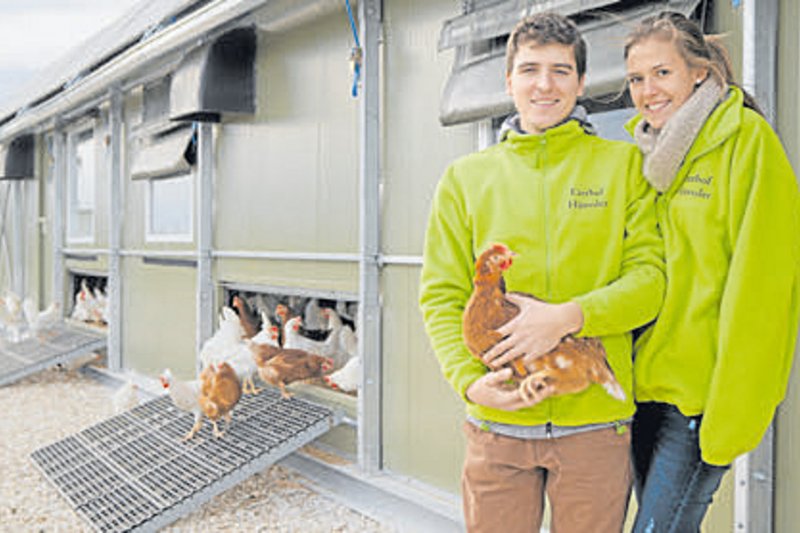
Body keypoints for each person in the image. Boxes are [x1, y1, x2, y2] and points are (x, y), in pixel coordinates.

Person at [419, 12, 665, 533]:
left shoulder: (624, 168)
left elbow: (650, 282)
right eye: (530, 70)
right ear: (508, 80)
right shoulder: (465, 180)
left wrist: (567, 317)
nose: (545, 85)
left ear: (581, 82)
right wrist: (470, 384)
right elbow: (441, 297)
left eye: (560, 70)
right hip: (499, 424)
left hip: (594, 423)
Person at [623, 11, 800, 532]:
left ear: (698, 71)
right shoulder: (644, 154)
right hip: (643, 386)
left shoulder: (745, 140)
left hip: (700, 396)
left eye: (662, 73)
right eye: (636, 78)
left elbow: (764, 284)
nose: (648, 91)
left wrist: (734, 404)